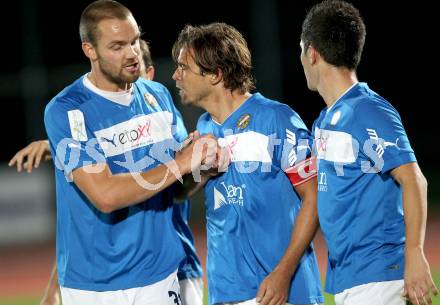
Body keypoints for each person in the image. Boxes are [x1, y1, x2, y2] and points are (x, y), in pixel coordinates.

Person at [37, 1, 214, 304]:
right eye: (117, 46)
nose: (132, 54)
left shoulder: (157, 96)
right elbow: (105, 195)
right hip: (93, 285)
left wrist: (203, 168)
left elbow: (176, 188)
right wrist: (182, 162)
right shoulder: (68, 110)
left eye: (133, 41)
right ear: (89, 50)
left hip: (160, 274)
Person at [172, 22, 324, 305]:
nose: (176, 76)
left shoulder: (277, 119)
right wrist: (196, 170)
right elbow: (180, 193)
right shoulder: (203, 129)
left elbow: (314, 198)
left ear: (215, 75)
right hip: (225, 295)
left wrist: (283, 273)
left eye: (183, 68)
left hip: (281, 292)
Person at [299, 1, 439, 305]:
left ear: (312, 53)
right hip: (349, 277)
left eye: (300, 49)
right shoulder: (324, 121)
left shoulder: (368, 110)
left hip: (380, 276)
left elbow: (414, 179)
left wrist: (414, 254)